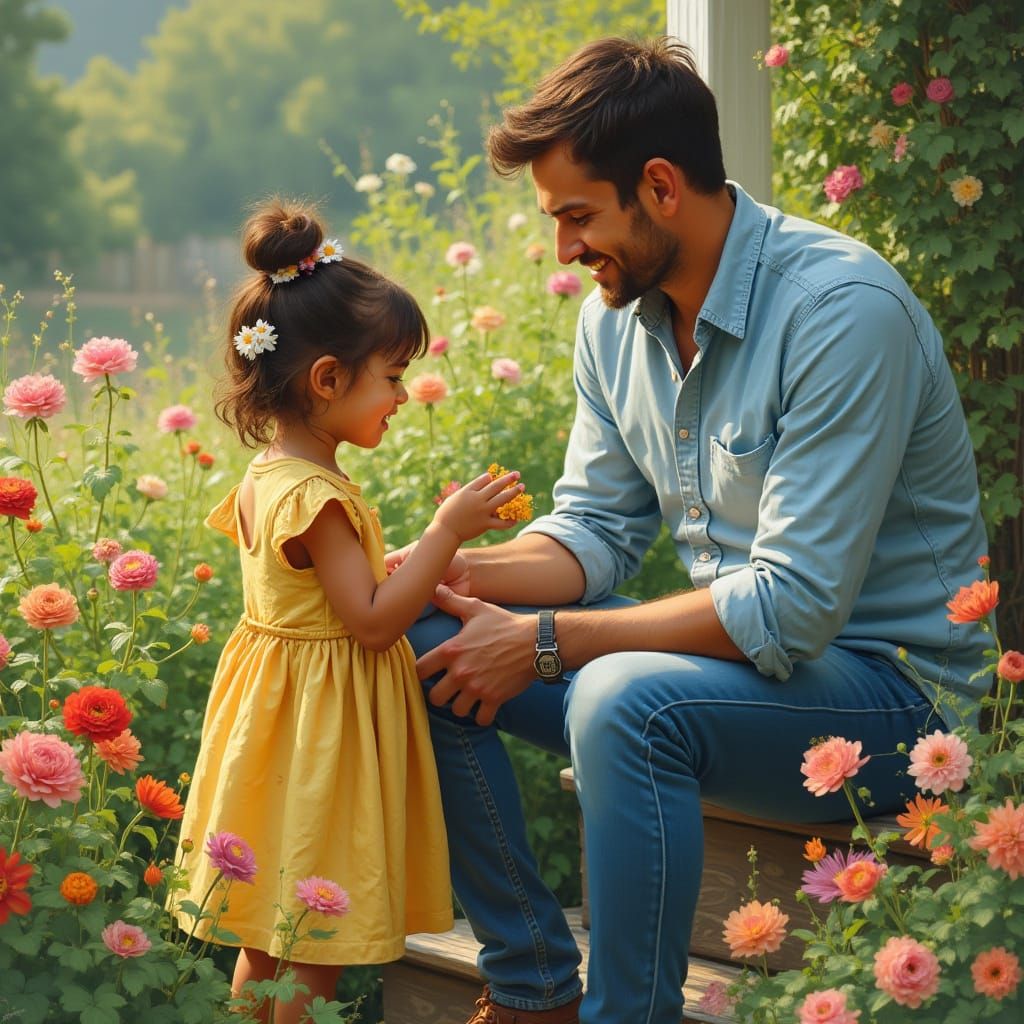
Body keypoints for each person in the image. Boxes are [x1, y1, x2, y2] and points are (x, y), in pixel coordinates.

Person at [402, 36, 990, 1024]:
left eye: (576, 217)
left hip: (897, 702)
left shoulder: (840, 311)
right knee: (419, 639)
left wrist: (546, 641)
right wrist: (439, 571)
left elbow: (793, 608)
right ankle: (536, 980)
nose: (562, 250)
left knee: (625, 701)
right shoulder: (614, 324)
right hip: (735, 678)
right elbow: (591, 534)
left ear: (662, 186)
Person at [173, 200, 525, 1023]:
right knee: (313, 938)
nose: (402, 396)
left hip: (277, 726)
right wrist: (445, 530)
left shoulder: (272, 473)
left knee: (267, 934)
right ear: (328, 379)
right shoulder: (320, 497)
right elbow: (370, 623)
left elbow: (331, 595)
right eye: (393, 376)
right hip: (320, 739)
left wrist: (390, 562)